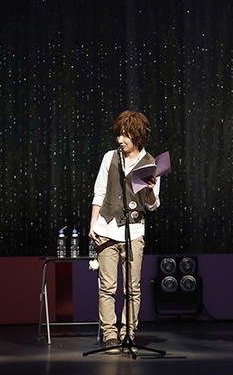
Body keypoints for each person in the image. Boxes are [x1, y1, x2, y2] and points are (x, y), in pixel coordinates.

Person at [88, 111, 161, 354]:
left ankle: (128, 333)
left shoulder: (150, 163)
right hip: (107, 229)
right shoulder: (110, 157)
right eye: (119, 134)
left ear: (138, 136)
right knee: (107, 287)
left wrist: (150, 189)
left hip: (134, 231)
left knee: (132, 288)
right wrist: (93, 224)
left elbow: (152, 205)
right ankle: (110, 335)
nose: (120, 139)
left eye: (126, 135)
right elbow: (99, 192)